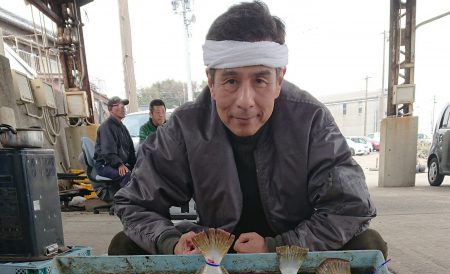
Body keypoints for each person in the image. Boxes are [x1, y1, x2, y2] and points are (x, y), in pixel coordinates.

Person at [109, 1, 387, 258]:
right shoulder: (185, 126)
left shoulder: (311, 120)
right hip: (215, 254)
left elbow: (351, 208)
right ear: (211, 80)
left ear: (279, 79)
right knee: (124, 244)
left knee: (368, 245)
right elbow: (134, 204)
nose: (245, 101)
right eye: (230, 81)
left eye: (260, 81)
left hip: (292, 251)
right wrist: (171, 242)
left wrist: (275, 246)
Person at [94, 96, 136, 194]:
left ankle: (141, 201)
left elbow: (130, 150)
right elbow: (108, 151)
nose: (122, 108)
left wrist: (137, 165)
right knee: (126, 175)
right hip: (105, 164)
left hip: (116, 163)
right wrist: (119, 164)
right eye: (118, 105)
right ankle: (124, 204)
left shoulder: (122, 127)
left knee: (140, 172)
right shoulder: (106, 127)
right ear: (110, 109)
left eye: (123, 106)